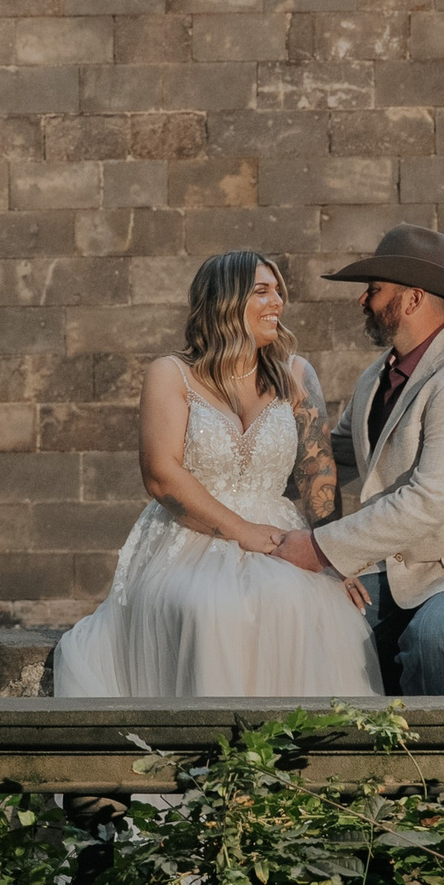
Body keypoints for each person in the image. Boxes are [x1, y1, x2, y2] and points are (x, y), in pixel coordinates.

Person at [52, 250, 382, 698]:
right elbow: (160, 474)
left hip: (279, 533)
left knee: (309, 604)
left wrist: (330, 555)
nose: (278, 302)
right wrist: (240, 530)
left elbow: (318, 473)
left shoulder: (297, 374)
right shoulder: (171, 375)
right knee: (209, 607)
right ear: (225, 301)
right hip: (190, 535)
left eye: (278, 291)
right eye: (262, 291)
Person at [271, 223, 444, 697]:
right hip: (401, 571)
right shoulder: (374, 378)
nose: (363, 302)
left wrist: (318, 548)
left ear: (414, 299)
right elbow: (331, 458)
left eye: (375, 291)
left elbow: (427, 501)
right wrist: (250, 480)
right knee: (317, 615)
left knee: (432, 637)